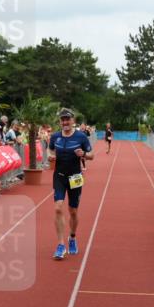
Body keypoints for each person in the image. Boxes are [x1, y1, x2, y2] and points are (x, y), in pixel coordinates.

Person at [47, 108, 93, 260]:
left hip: (75, 178)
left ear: (73, 121)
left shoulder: (81, 137)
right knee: (58, 208)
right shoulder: (55, 137)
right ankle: (60, 245)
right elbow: (50, 151)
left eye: (68, 119)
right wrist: (50, 157)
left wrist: (84, 154)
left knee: (73, 211)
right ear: (60, 122)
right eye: (63, 119)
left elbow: (91, 155)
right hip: (59, 176)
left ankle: (72, 238)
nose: (65, 122)